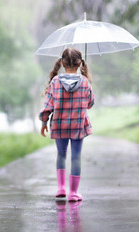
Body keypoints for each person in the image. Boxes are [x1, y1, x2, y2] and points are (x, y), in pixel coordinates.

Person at [39, 48, 94, 202]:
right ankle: (74, 193)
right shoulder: (84, 82)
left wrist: (44, 122)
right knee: (76, 157)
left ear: (62, 63)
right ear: (79, 63)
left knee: (61, 155)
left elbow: (48, 105)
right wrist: (87, 83)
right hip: (78, 126)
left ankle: (61, 188)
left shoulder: (55, 82)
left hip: (59, 125)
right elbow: (90, 104)